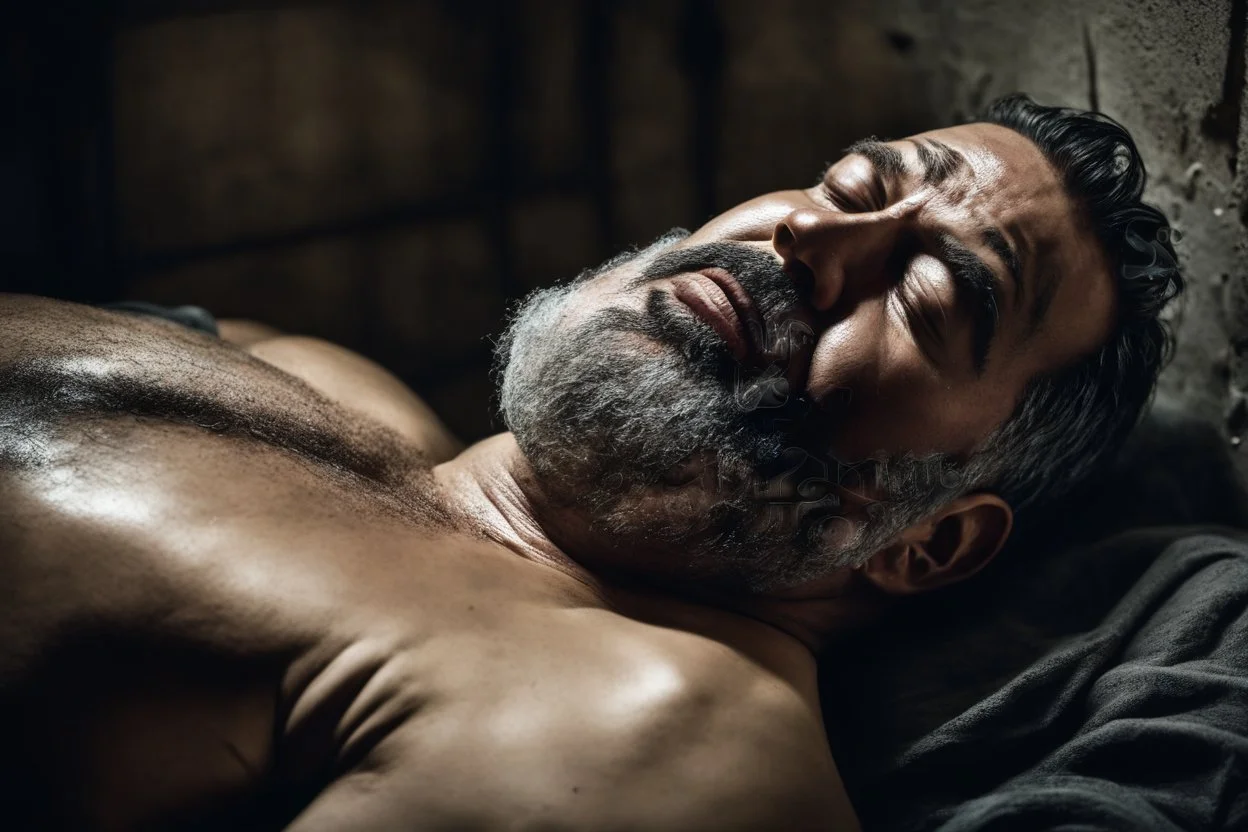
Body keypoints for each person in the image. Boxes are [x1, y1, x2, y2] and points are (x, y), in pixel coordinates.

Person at [0, 94, 1181, 830]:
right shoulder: (323, 381)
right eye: (850, 189)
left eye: (929, 295)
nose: (812, 238)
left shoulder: (672, 737)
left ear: (930, 543)